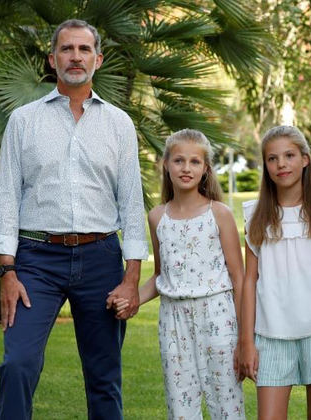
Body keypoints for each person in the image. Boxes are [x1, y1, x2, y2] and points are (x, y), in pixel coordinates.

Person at [0, 19, 147, 420]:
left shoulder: (119, 124)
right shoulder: (23, 121)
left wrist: (131, 278)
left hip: (101, 259)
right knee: (17, 364)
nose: (76, 57)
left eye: (84, 49)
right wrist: (7, 270)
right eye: (67, 49)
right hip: (36, 260)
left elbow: (130, 202)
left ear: (98, 59)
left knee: (104, 377)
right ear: (52, 59)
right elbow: (6, 196)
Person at [115, 129, 245, 419]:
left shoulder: (219, 213)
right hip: (173, 322)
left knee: (226, 402)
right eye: (179, 160)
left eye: (195, 162)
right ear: (165, 164)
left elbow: (239, 278)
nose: (186, 168)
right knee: (180, 404)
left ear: (205, 169)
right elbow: (162, 278)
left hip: (218, 317)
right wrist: (130, 298)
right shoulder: (158, 217)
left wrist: (244, 336)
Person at [239, 125, 311, 420]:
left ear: (305, 159)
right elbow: (250, 281)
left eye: (289, 155)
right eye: (272, 159)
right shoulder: (255, 214)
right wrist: (246, 341)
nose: (281, 164)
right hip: (271, 332)